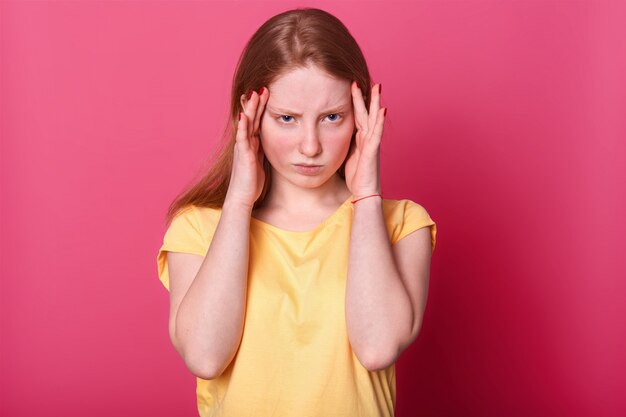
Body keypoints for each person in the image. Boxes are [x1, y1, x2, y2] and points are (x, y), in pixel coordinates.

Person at [156, 7, 437, 417]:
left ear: (360, 119)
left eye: (331, 118)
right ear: (250, 118)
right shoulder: (198, 228)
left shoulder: (402, 225)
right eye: (287, 118)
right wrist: (238, 201)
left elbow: (377, 347)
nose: (310, 146)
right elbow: (205, 356)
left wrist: (367, 196)